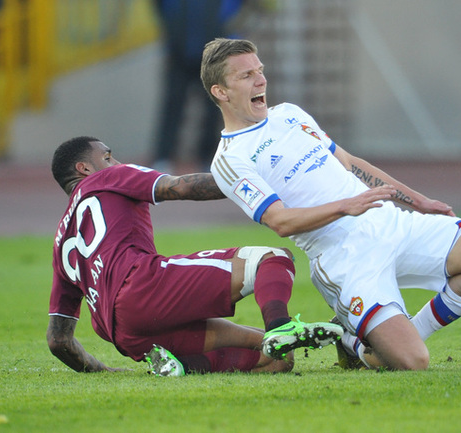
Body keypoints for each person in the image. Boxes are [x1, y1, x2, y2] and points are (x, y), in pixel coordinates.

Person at [200, 38, 461, 371]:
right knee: (413, 362)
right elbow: (280, 221)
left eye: (260, 70)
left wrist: (418, 201)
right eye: (247, 75)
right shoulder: (229, 160)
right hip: (344, 257)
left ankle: (399, 334)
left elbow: (350, 163)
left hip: (390, 222)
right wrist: (344, 207)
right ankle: (350, 340)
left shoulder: (290, 114)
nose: (261, 80)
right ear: (221, 92)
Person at [47, 136, 342, 376]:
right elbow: (181, 187)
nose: (116, 163)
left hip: (123, 334)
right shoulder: (108, 177)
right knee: (273, 258)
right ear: (84, 168)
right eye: (108, 157)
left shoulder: (60, 242)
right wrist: (258, 180)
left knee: (278, 359)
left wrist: (106, 372)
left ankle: (183, 367)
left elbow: (58, 340)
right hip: (142, 287)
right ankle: (281, 327)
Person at [151, 0, 248, 172]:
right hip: (179, 51)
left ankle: (207, 158)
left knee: (214, 107)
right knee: (173, 105)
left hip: (216, 54)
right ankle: (163, 157)